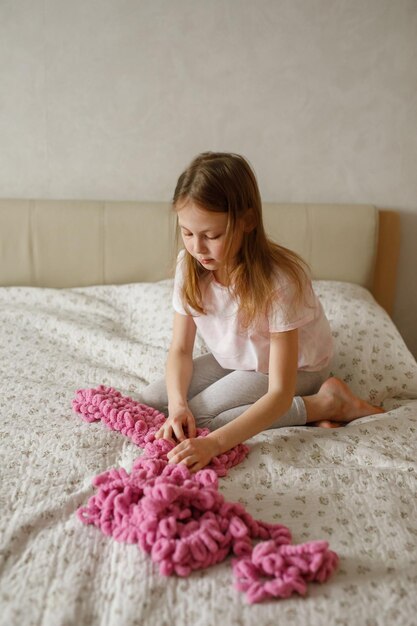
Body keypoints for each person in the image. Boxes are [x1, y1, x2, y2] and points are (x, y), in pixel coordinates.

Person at [141, 152, 383, 473]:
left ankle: (328, 402)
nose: (197, 248)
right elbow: (181, 349)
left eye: (212, 235)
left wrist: (212, 444)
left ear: (247, 222)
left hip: (295, 369)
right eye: (187, 233)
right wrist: (176, 407)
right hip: (239, 357)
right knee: (153, 400)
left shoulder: (280, 281)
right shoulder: (190, 266)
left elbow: (280, 393)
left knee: (206, 421)